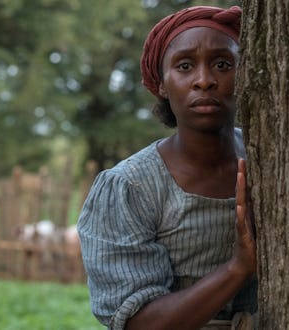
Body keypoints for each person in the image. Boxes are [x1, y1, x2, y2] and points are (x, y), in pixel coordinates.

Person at [77, 5, 257, 330]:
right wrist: (238, 268)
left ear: (243, 75)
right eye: (185, 66)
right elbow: (137, 323)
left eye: (222, 64)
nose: (204, 81)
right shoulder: (130, 187)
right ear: (162, 83)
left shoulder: (267, 159)